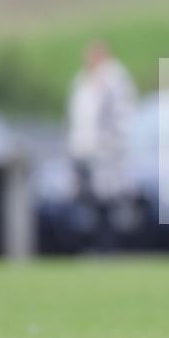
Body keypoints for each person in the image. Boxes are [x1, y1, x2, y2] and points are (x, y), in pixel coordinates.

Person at [66, 41, 137, 251]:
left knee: (109, 203)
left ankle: (111, 249)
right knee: (88, 205)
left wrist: (110, 144)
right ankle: (92, 248)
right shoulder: (81, 81)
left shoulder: (114, 80)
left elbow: (122, 116)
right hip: (83, 152)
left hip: (108, 155)